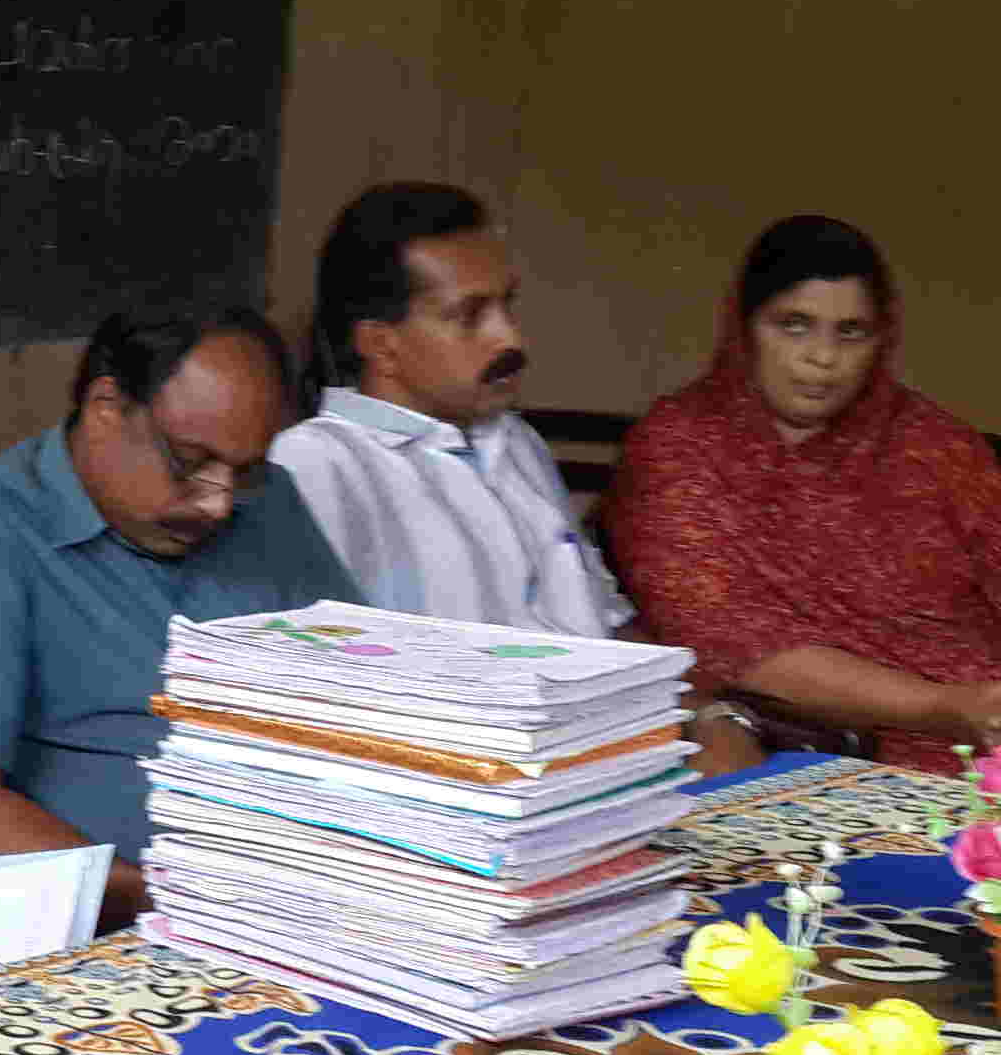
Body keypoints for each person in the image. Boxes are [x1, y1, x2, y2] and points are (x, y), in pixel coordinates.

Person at [606, 213, 1001, 835]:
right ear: (744, 328)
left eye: (851, 332)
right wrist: (949, 708)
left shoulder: (928, 441)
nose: (822, 358)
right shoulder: (679, 447)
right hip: (849, 756)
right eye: (794, 326)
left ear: (883, 339)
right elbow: (736, 637)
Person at [0, 306, 358, 920]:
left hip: (314, 887)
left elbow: (369, 700)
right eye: (189, 462)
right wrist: (179, 902)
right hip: (119, 919)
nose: (218, 503)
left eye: (244, 470)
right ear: (105, 408)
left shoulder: (267, 502)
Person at [273, 181, 765, 769]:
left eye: (508, 305)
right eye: (470, 316)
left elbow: (606, 628)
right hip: (474, 782)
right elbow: (317, 691)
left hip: (610, 761)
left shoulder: (514, 443)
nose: (511, 338)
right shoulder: (318, 464)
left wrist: (706, 716)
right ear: (381, 345)